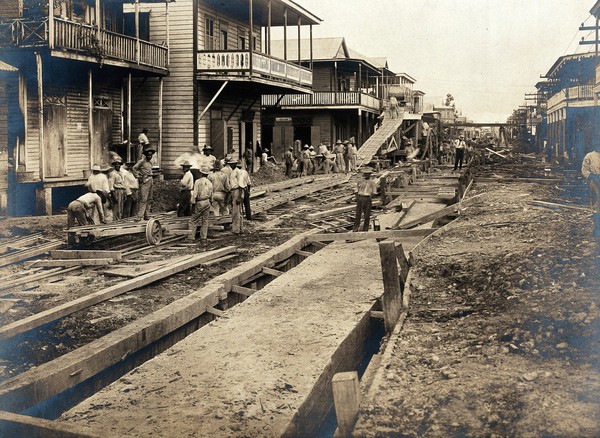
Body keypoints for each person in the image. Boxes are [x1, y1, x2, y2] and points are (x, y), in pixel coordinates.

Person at [189, 165, 213, 242]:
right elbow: (211, 195)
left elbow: (195, 194)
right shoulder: (210, 183)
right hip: (207, 202)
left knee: (193, 220)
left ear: (201, 173)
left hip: (200, 202)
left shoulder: (198, 182)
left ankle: (191, 237)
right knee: (205, 220)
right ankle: (203, 237)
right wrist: (211, 202)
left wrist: (193, 204)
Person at [132, 145, 155, 221]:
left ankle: (147, 215)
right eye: (148, 155)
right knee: (143, 199)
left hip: (150, 180)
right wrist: (138, 177)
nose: (149, 156)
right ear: (145, 155)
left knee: (150, 199)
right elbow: (134, 168)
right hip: (145, 180)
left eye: (151, 155)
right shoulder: (141, 161)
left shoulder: (150, 163)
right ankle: (139, 216)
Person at [582, 144, 600, 237]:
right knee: (597, 206)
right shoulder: (590, 156)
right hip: (596, 183)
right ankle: (597, 229)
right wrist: (593, 176)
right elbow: (584, 170)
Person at [353, 167, 377, 232]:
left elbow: (374, 192)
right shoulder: (359, 181)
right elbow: (355, 190)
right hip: (360, 197)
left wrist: (369, 197)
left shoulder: (372, 182)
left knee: (367, 215)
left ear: (370, 174)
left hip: (367, 198)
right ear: (363, 174)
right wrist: (358, 198)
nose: (366, 175)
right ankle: (355, 229)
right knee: (358, 214)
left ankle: (365, 229)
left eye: (368, 174)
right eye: (365, 174)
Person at [227, 159, 243, 234]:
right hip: (233, 190)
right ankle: (239, 228)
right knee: (235, 211)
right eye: (230, 164)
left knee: (236, 211)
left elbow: (241, 185)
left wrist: (239, 196)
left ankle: (236, 229)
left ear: (236, 164)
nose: (231, 165)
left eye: (233, 164)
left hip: (237, 190)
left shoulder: (238, 171)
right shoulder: (232, 172)